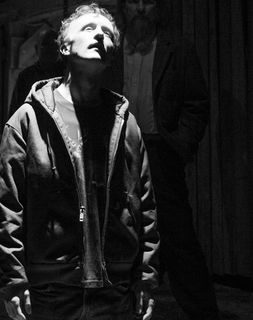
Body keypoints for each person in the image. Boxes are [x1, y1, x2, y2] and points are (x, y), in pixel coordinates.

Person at [0, 3, 159, 319]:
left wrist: (146, 277)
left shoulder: (126, 124)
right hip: (52, 288)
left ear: (112, 53)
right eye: (89, 28)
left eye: (107, 33)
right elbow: (7, 206)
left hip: (115, 287)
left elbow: (145, 206)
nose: (100, 36)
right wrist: (13, 279)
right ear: (65, 46)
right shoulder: (27, 120)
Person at [103, 1, 218, 319]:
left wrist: (180, 144)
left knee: (177, 233)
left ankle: (202, 311)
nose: (140, 9)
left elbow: (196, 103)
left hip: (160, 152)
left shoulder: (177, 48)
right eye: (133, 2)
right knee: (118, 232)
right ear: (123, 8)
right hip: (118, 153)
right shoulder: (109, 48)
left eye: (148, 1)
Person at [0, 28, 64, 281]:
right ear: (38, 50)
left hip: (58, 147)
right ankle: (1, 259)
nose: (50, 51)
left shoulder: (65, 75)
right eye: (45, 47)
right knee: (11, 202)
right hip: (32, 145)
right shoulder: (28, 76)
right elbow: (17, 110)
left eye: (53, 46)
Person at [8, 28, 64, 118]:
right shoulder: (26, 76)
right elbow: (16, 110)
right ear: (36, 48)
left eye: (53, 45)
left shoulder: (66, 73)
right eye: (45, 45)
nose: (49, 49)